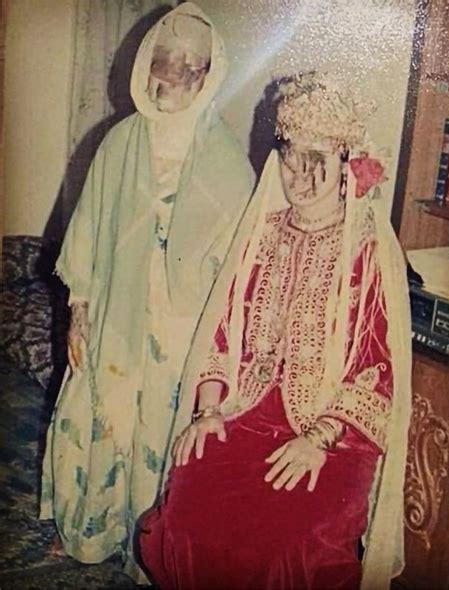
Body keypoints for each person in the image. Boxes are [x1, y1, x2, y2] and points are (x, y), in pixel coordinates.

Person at [138, 72, 412, 590]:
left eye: (318, 165)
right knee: (189, 509)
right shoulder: (262, 234)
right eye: (291, 160)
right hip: (244, 411)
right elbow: (222, 333)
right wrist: (208, 410)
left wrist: (317, 440)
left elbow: (379, 370)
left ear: (347, 168)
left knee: (286, 542)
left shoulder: (368, 250)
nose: (300, 180)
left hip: (334, 433)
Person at [40, 2, 254, 581]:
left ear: (210, 75)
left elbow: (240, 265)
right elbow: (86, 234)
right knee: (105, 410)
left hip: (181, 328)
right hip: (116, 312)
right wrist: (79, 311)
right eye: (166, 61)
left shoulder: (228, 160)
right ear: (146, 66)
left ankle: (151, 547)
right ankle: (92, 531)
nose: (176, 76)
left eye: (192, 66)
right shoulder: (117, 144)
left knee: (161, 430)